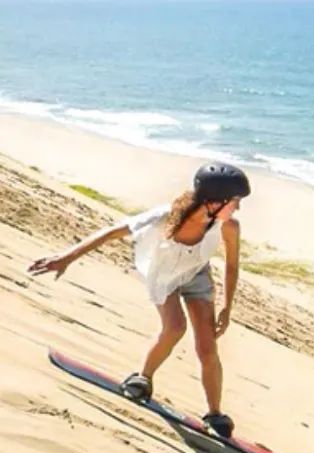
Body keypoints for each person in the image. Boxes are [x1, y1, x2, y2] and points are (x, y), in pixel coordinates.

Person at [28, 161, 251, 438]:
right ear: (214, 202)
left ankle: (215, 414)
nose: (238, 208)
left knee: (207, 346)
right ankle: (143, 378)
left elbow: (232, 266)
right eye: (235, 201)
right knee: (175, 327)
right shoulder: (165, 217)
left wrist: (227, 307)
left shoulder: (229, 226)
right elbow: (113, 231)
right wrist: (66, 257)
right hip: (164, 275)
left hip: (196, 275)